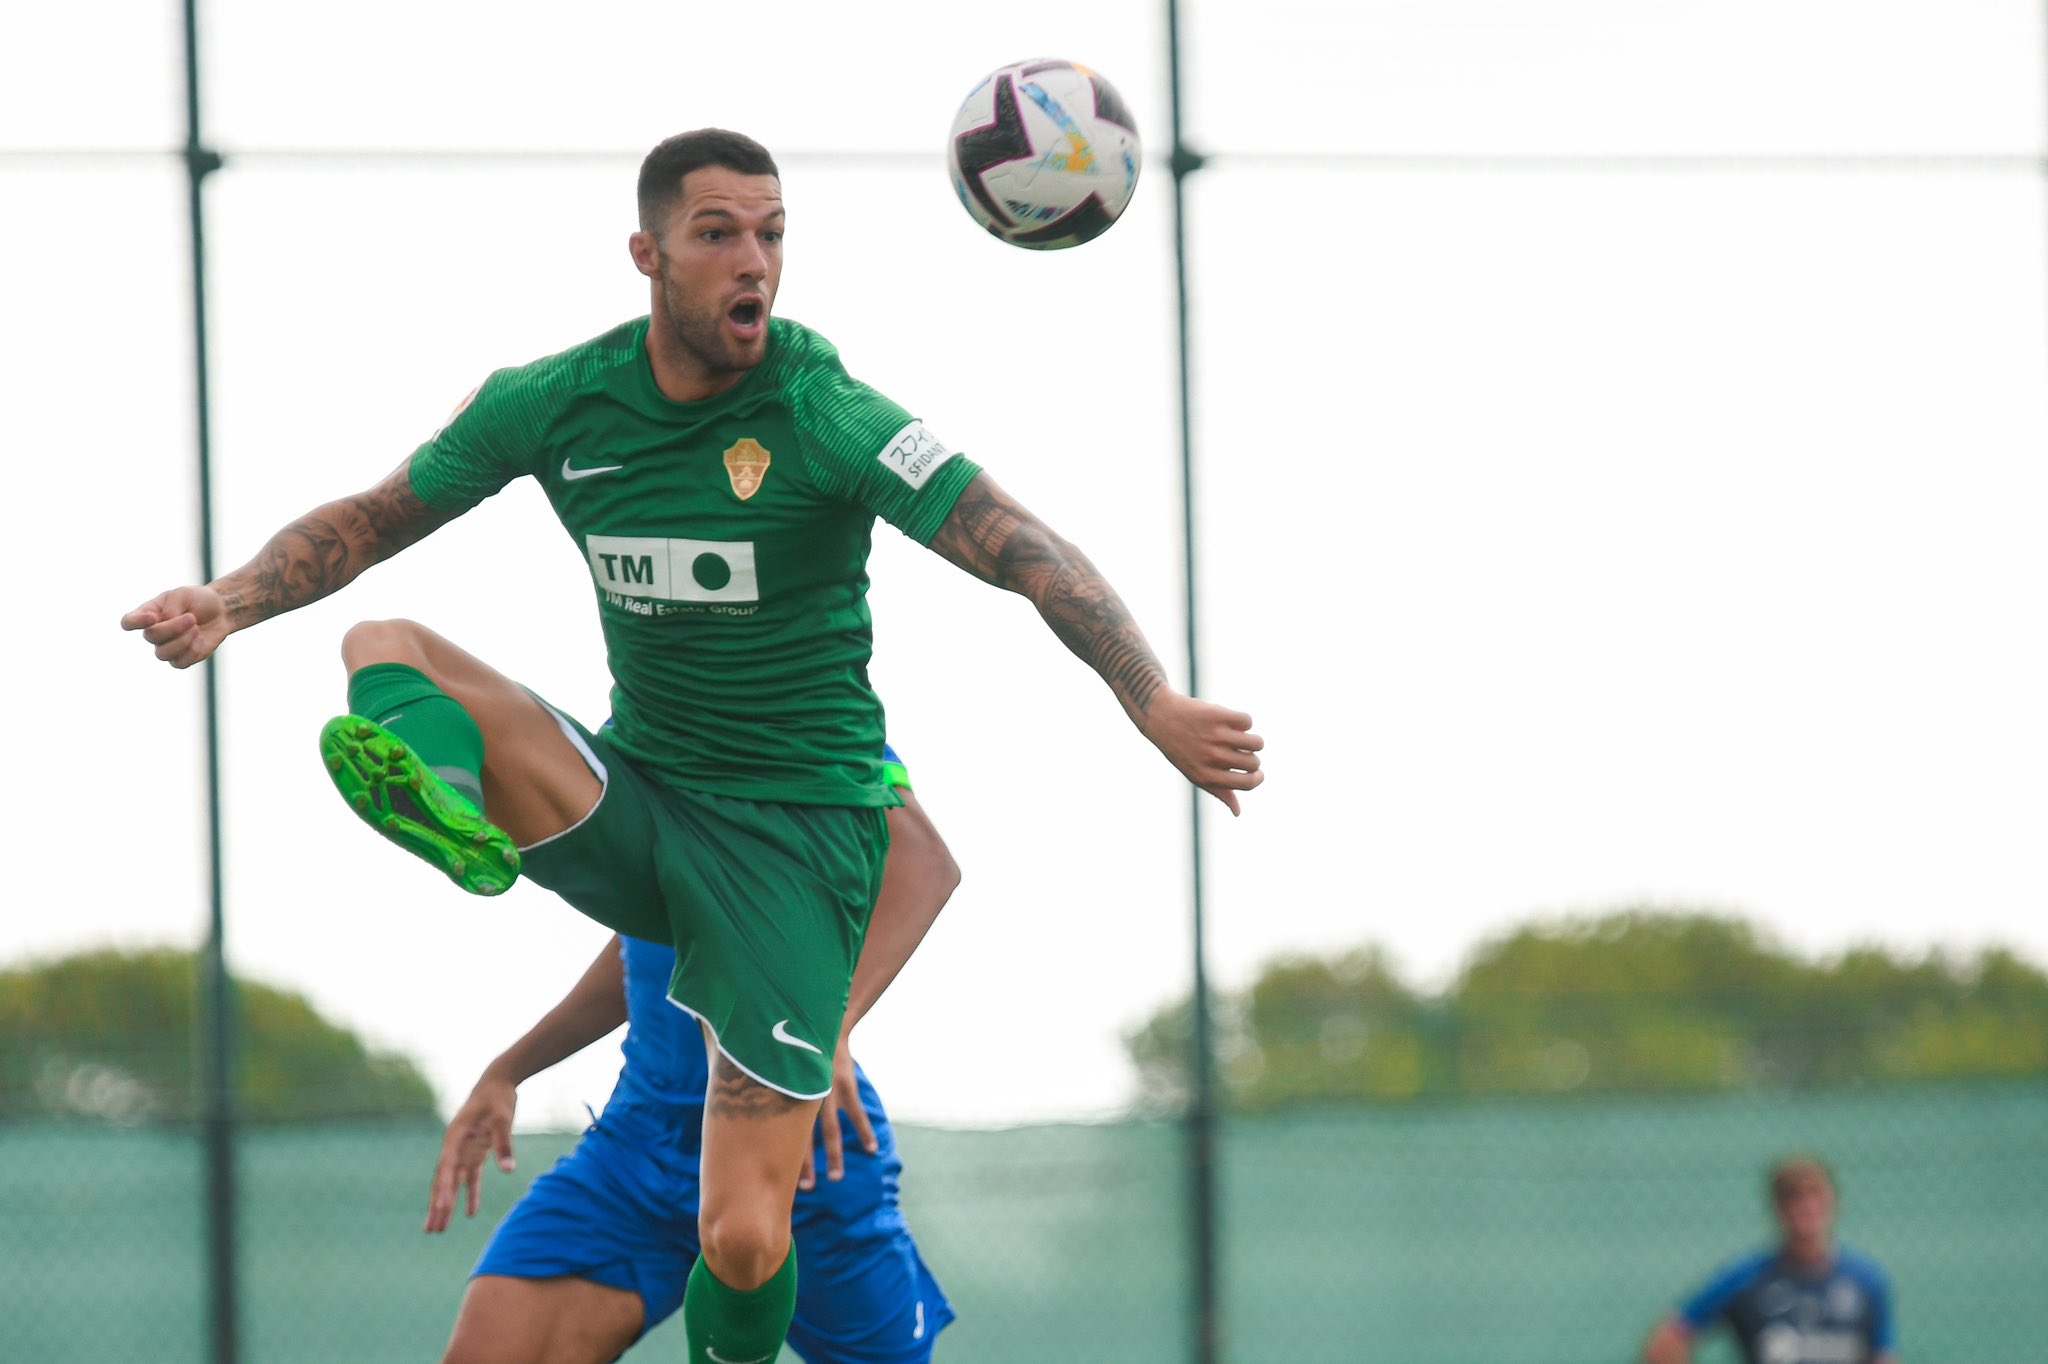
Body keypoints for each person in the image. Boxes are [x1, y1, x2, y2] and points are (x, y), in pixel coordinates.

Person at [123, 127, 1262, 1364]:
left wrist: (1150, 697)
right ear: (647, 253)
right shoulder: (554, 400)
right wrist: (228, 601)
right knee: (382, 638)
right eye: (719, 232)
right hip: (646, 809)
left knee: (740, 1237)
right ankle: (452, 813)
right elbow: (374, 513)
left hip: (785, 857)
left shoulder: (824, 410)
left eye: (772, 233)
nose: (753, 261)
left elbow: (1020, 544)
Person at [428, 746, 957, 1364]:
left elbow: (924, 862)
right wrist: (509, 1069)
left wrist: (831, 1031)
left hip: (798, 1155)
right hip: (642, 1149)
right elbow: (652, 939)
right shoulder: (644, 729)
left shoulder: (796, 708)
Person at [1641, 1155, 1897, 1364]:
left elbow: (1881, 1354)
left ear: (1834, 1202)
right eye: (1794, 1198)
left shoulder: (1865, 1279)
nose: (1806, 1208)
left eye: (1815, 1196)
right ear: (1777, 1208)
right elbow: (1667, 1342)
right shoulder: (1746, 1277)